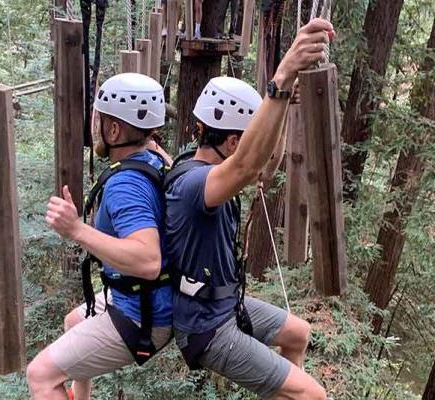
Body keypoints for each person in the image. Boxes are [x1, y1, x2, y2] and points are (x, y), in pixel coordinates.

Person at [165, 18, 334, 400]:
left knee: (298, 333)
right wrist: (281, 76)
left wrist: (284, 103)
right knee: (313, 395)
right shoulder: (196, 184)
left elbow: (262, 166)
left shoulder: (208, 165)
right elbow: (247, 166)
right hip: (205, 326)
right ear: (230, 141)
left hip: (226, 303)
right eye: (243, 143)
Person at [27, 73, 173, 400]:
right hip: (152, 296)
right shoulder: (154, 159)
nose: (93, 125)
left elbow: (148, 261)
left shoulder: (126, 185)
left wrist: (76, 229)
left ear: (114, 129)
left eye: (98, 118)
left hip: (143, 315)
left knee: (40, 376)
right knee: (73, 322)